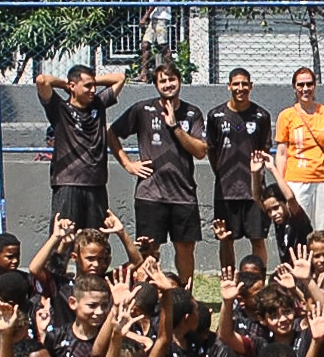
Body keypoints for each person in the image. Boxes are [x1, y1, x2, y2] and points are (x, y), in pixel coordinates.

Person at [109, 60, 208, 281]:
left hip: (183, 194)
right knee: (149, 249)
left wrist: (175, 127)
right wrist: (127, 163)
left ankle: (184, 294)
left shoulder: (192, 113)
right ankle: (150, 294)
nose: (168, 84)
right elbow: (112, 133)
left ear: (180, 81)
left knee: (185, 249)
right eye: (162, 81)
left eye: (172, 79)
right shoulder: (143, 110)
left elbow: (201, 151)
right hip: (150, 193)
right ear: (156, 85)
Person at [34, 63, 129, 229]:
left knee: (96, 240)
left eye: (94, 86)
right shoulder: (60, 108)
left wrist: (90, 81)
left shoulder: (98, 104)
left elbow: (120, 78)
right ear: (72, 86)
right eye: (87, 86)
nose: (93, 90)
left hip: (96, 185)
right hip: (68, 184)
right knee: (65, 239)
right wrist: (66, 84)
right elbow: (42, 80)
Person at [206, 68, 274, 269]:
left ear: (251, 86)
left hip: (254, 192)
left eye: (244, 84)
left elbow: (264, 150)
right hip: (225, 192)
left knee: (258, 238)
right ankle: (229, 281)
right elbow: (211, 150)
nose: (240, 88)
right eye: (236, 84)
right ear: (229, 86)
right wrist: (221, 172)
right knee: (226, 239)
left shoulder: (261, 115)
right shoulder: (215, 115)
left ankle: (258, 281)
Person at [274, 67, 324, 236]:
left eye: (309, 84)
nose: (305, 89)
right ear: (294, 87)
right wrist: (283, 186)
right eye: (301, 85)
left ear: (315, 85)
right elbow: (282, 153)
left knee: (323, 232)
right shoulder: (286, 116)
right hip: (297, 180)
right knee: (299, 230)